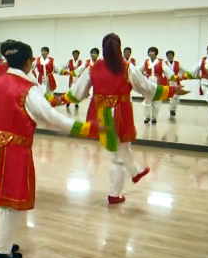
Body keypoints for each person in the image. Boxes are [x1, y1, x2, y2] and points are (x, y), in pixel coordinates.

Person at [0, 41, 98, 258]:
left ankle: (3, 241)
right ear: (28, 62)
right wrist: (85, 128)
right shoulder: (27, 88)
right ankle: (1, 250)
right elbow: (49, 118)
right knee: (10, 203)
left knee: (3, 201)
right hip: (15, 151)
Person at [59, 34, 188, 204]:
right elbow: (148, 89)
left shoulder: (93, 68)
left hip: (100, 114)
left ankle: (135, 172)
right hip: (121, 114)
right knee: (118, 156)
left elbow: (76, 93)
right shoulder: (127, 68)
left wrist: (57, 100)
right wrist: (173, 90)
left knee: (121, 149)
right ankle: (114, 194)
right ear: (120, 48)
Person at [138, 46, 173, 124]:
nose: (151, 53)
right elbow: (138, 70)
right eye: (150, 51)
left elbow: (168, 71)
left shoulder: (161, 62)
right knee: (147, 100)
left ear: (156, 53)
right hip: (148, 83)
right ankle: (147, 117)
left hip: (158, 83)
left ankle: (154, 117)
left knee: (156, 101)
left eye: (153, 51)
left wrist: (173, 77)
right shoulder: (145, 62)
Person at [165, 50, 188, 117]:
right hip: (167, 81)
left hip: (175, 81)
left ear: (173, 56)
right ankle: (171, 109)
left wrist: (182, 76)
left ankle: (173, 109)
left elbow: (184, 70)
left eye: (171, 55)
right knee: (170, 96)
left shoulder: (177, 64)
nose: (169, 56)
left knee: (175, 97)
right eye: (168, 55)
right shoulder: (164, 63)